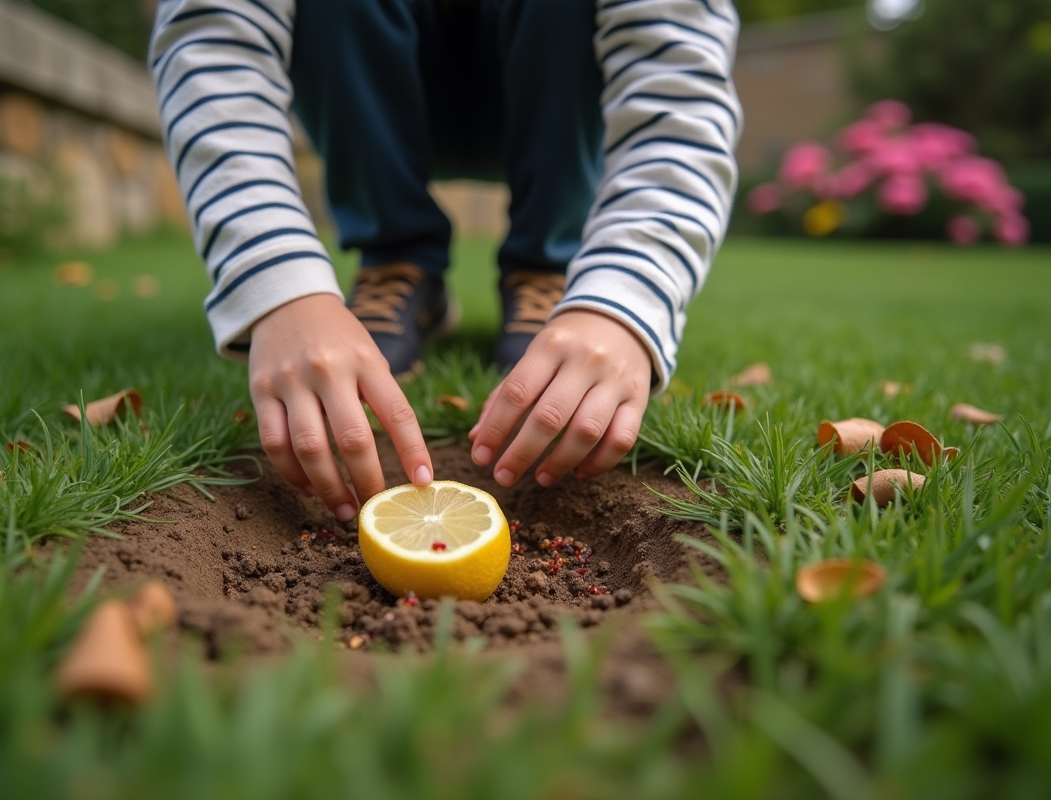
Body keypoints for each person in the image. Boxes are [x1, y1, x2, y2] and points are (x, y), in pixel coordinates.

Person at [150, 0, 742, 523]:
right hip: (366, 79)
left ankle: (547, 270)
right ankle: (398, 263)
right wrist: (282, 288)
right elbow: (213, 46)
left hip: (552, 72)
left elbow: (678, 92)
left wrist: (620, 303)